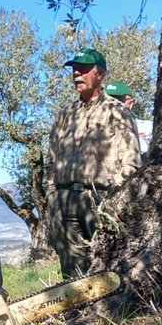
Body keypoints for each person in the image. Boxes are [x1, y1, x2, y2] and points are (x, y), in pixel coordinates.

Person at [46, 49, 142, 277]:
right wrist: (52, 195)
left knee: (107, 270)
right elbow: (51, 160)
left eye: (84, 69)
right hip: (64, 201)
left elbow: (131, 162)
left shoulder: (117, 111)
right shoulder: (64, 115)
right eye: (74, 69)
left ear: (100, 74)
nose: (77, 73)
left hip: (100, 200)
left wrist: (112, 200)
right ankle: (75, 313)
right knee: (72, 275)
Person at [104, 80, 153, 157]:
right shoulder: (92, 130)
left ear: (130, 103)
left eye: (118, 101)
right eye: (106, 101)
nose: (112, 105)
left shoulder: (149, 128)